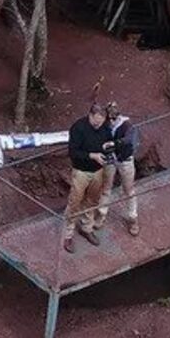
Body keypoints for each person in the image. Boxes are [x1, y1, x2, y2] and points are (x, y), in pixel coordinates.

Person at [62, 102, 115, 252]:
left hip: (98, 170)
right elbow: (73, 152)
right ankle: (68, 234)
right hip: (81, 171)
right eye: (96, 121)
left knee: (92, 201)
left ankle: (86, 227)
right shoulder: (78, 128)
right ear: (91, 115)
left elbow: (108, 139)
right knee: (75, 202)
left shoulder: (104, 127)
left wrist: (108, 147)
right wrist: (92, 156)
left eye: (101, 121)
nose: (98, 124)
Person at [105, 101, 139, 237]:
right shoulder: (106, 124)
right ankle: (101, 216)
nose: (111, 123)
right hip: (110, 159)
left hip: (125, 160)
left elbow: (129, 139)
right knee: (105, 188)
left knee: (129, 190)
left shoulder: (128, 125)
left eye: (112, 120)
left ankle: (133, 218)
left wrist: (115, 143)